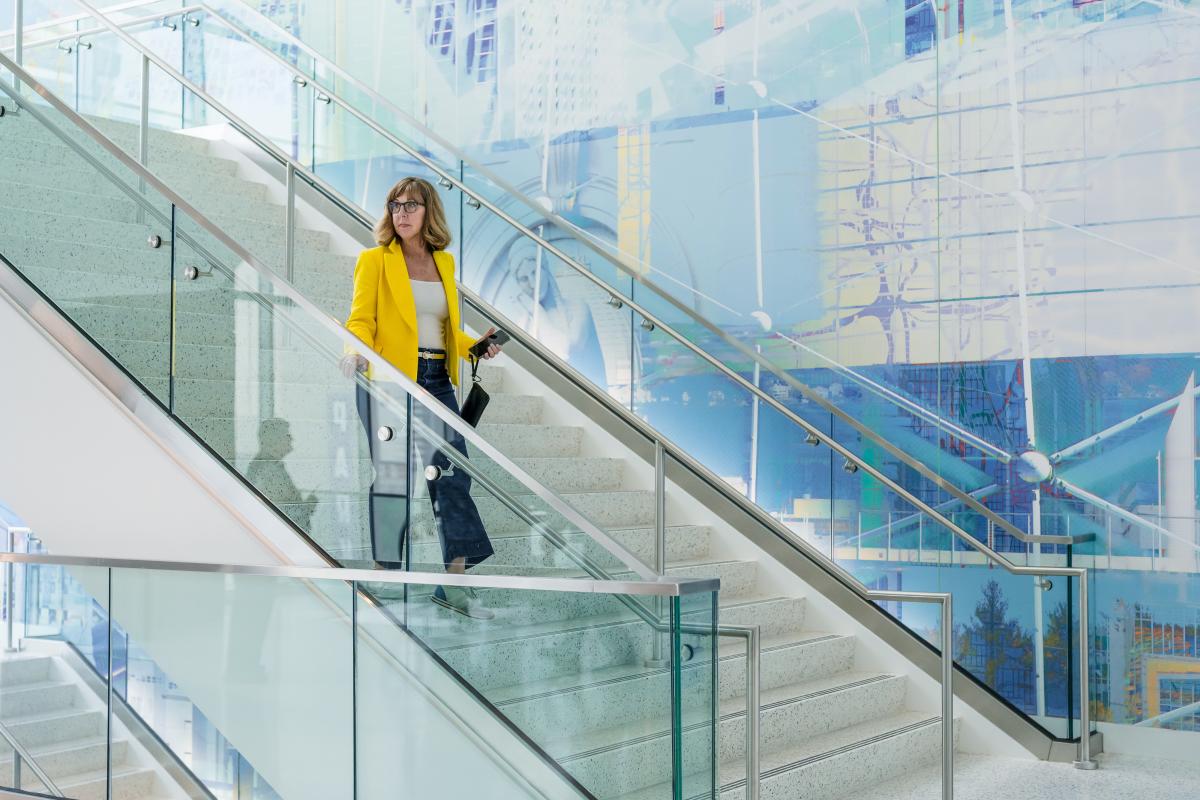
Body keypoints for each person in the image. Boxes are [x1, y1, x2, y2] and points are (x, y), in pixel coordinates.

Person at [340, 176, 501, 620]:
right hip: (387, 379)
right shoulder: (375, 260)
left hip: (436, 379)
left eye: (411, 204)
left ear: (429, 211)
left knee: (453, 474)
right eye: (395, 205)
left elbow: (445, 328)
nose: (402, 213)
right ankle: (383, 574)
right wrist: (355, 354)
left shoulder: (443, 264)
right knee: (392, 475)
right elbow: (360, 320)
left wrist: (475, 344)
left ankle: (453, 582)